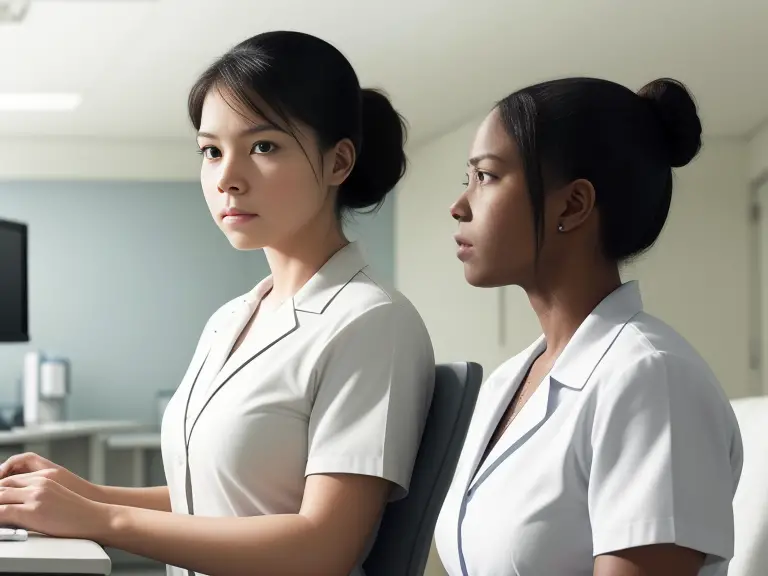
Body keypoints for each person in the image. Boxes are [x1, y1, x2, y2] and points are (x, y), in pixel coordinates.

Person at [0, 31, 435, 576]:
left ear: (338, 162)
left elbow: (323, 546)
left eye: (264, 146)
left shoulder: (372, 323)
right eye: (211, 151)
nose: (227, 178)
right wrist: (82, 495)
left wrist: (101, 520)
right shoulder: (230, 318)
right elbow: (212, 501)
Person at [435, 77, 742, 576]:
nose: (460, 205)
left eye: (487, 176)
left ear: (573, 205)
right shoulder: (506, 383)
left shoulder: (653, 380)